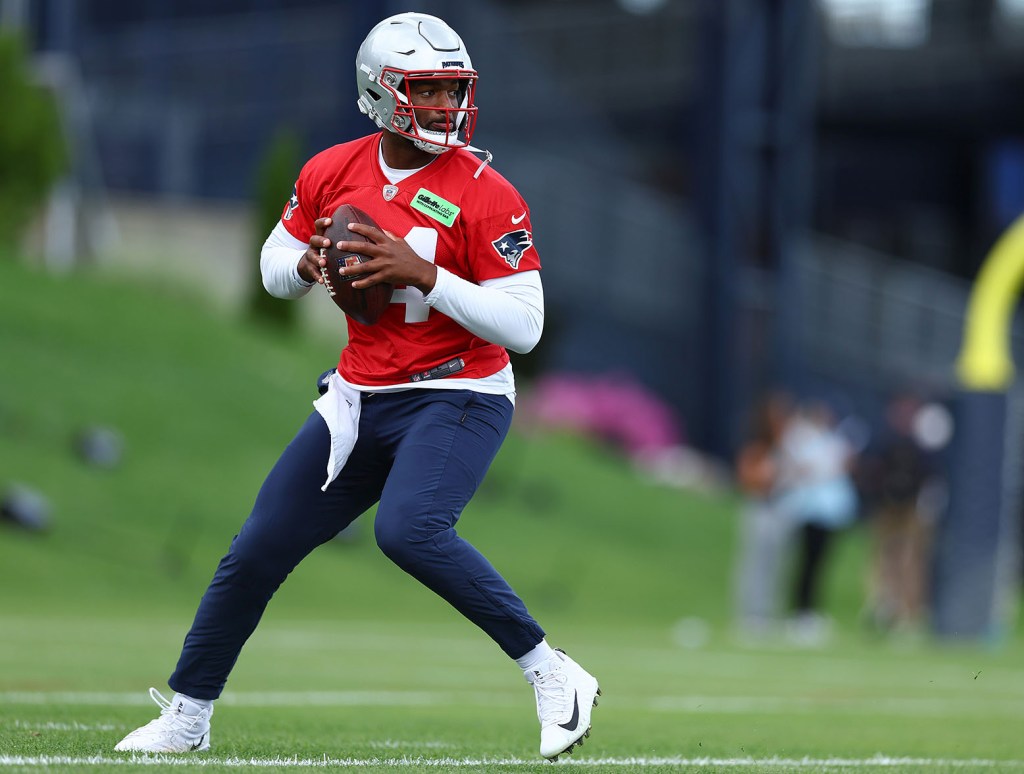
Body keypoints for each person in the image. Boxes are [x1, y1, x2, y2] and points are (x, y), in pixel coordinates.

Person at [114, 12, 599, 761]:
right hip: (360, 395)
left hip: (458, 392)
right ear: (380, 93)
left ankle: (552, 671)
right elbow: (274, 266)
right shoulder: (332, 169)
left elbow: (524, 326)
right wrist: (307, 267)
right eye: (427, 91)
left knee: (408, 530)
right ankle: (188, 715)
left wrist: (425, 275)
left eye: (453, 91)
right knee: (256, 550)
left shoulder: (485, 190)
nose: (444, 108)